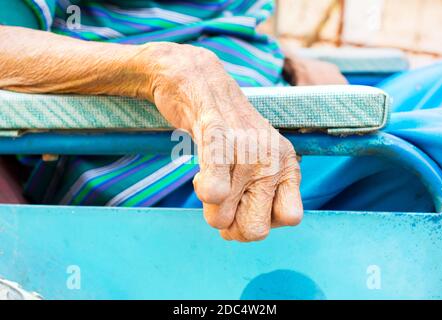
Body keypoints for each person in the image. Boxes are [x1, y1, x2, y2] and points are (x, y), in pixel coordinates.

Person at [0, 0, 346, 242]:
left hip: (271, 114)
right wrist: (163, 68)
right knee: (398, 134)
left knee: (399, 105)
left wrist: (283, 55)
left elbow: (209, 21)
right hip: (162, 171)